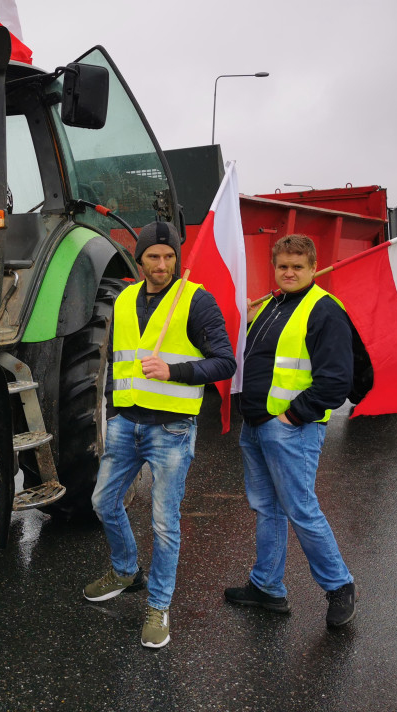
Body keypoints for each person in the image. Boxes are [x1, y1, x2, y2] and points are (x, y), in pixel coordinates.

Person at [83, 221, 237, 649]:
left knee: (165, 523)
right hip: (126, 425)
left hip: (171, 427)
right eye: (154, 256)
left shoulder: (197, 301)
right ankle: (125, 569)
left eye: (169, 257)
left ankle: (159, 604)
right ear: (140, 259)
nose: (162, 265)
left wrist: (176, 371)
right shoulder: (125, 298)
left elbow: (225, 363)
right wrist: (114, 412)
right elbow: (116, 362)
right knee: (103, 502)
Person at [224, 233, 358, 628]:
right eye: (283, 266)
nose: (289, 272)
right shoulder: (271, 305)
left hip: (290, 429)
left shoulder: (325, 311)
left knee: (300, 508)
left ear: (313, 268)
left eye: (298, 266)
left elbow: (336, 381)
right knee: (268, 508)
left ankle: (340, 585)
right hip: (257, 425)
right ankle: (266, 586)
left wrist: (293, 416)